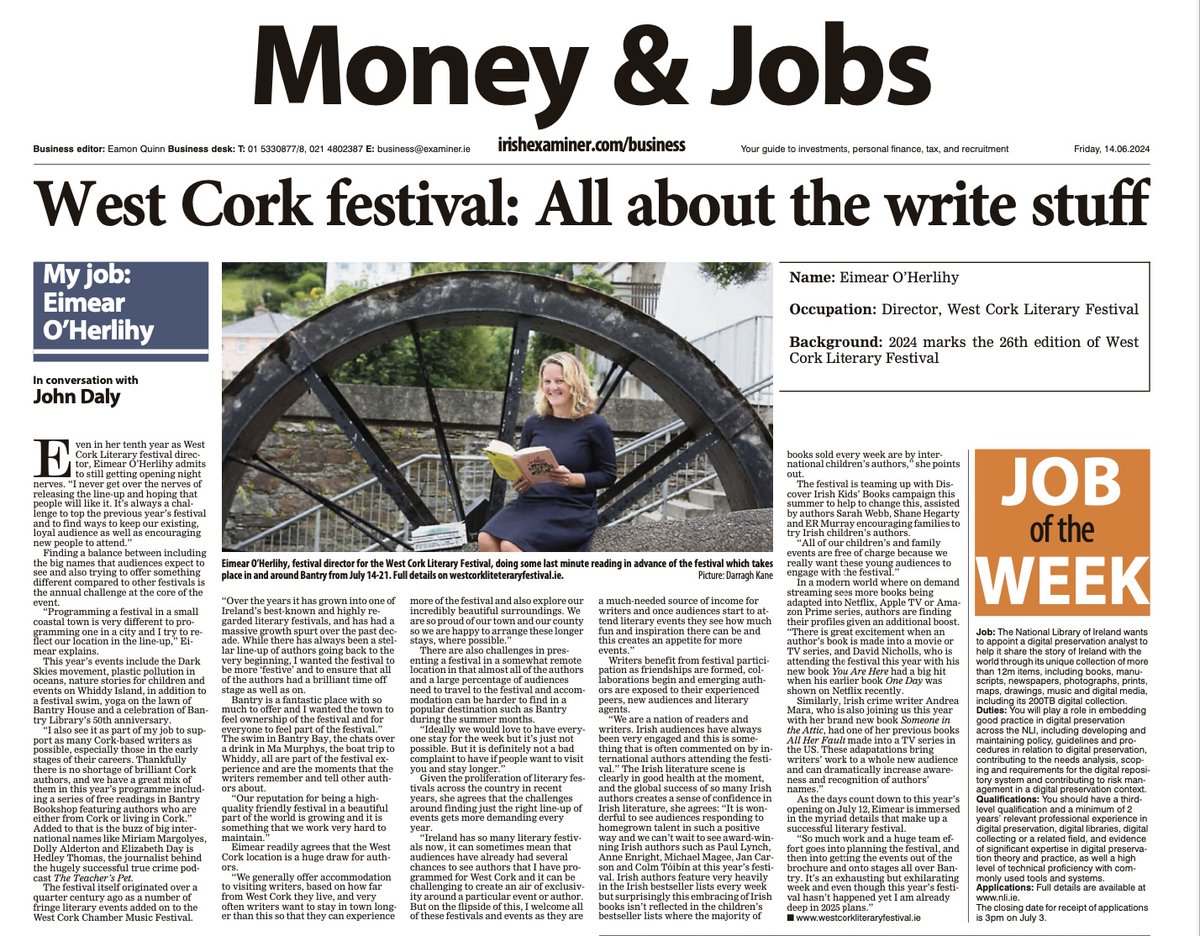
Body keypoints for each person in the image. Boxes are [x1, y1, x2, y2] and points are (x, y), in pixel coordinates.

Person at [478, 352, 617, 552]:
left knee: (510, 546)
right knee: (485, 538)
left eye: (559, 381)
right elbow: (523, 464)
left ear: (574, 383)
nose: (552, 387)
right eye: (547, 381)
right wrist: (520, 480)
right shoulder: (534, 423)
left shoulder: (595, 425)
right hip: (531, 501)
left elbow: (608, 475)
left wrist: (572, 479)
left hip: (569, 507)